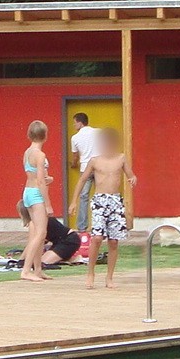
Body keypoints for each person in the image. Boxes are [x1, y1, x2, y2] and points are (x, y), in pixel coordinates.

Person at [84, 128, 135, 290]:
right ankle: (90, 273)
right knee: (97, 238)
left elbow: (130, 175)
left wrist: (133, 179)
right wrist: (74, 202)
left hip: (115, 201)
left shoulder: (121, 158)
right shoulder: (94, 161)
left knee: (113, 241)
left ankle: (109, 277)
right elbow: (83, 179)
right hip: (100, 200)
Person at [20, 119, 53, 282]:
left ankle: (38, 269)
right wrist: (48, 204)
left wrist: (47, 179)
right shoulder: (40, 155)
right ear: (45, 135)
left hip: (28, 190)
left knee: (40, 232)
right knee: (40, 233)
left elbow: (34, 175)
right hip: (36, 193)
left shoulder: (27, 152)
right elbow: (40, 181)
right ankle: (26, 270)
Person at [68, 111, 104, 230]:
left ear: (80, 122)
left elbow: (75, 156)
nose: (74, 126)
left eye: (75, 123)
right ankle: (100, 225)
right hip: (99, 167)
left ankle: (82, 227)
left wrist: (73, 164)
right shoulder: (98, 132)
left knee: (84, 197)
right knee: (100, 196)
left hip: (85, 168)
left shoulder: (75, 138)